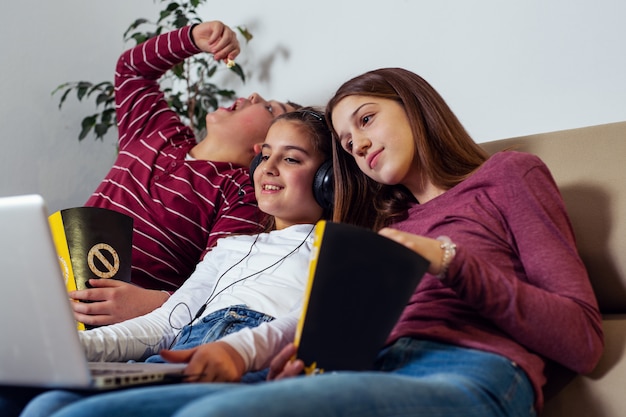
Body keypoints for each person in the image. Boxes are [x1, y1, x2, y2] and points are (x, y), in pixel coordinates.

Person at [23, 68, 603, 417]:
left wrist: (448, 260)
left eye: (367, 120)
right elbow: (314, 319)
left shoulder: (507, 176)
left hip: (468, 371)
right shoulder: (372, 229)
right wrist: (242, 352)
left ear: (415, 105)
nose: (358, 145)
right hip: (372, 369)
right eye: (348, 141)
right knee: (48, 407)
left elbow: (581, 338)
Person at [4, 107, 333, 417]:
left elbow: (304, 325)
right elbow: (167, 323)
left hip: (241, 363)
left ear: (327, 180)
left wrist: (239, 351)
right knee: (36, 399)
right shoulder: (231, 248)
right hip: (172, 359)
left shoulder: (337, 250)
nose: (268, 167)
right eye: (264, 156)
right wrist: (69, 348)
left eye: (290, 158)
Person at [73, 20, 300, 326]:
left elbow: (220, 284)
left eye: (271, 109)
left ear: (266, 148)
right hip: (52, 282)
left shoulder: (242, 192)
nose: (255, 96)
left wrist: (155, 303)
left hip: (111, 324)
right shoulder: (156, 131)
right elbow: (131, 71)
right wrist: (193, 38)